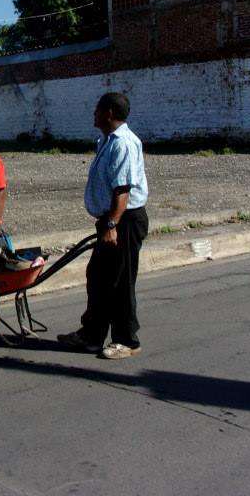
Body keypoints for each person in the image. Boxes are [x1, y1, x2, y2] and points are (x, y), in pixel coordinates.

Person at [58, 92, 149, 360]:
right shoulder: (106, 141)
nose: (93, 114)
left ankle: (126, 340)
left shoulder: (123, 143)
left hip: (124, 220)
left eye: (97, 110)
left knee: (120, 282)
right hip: (112, 219)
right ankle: (91, 335)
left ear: (109, 113)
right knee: (98, 276)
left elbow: (123, 188)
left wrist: (111, 224)